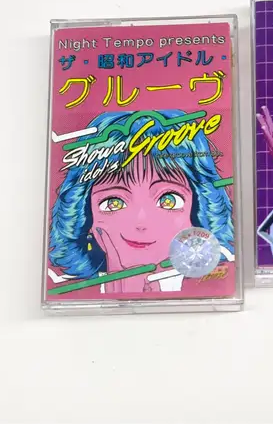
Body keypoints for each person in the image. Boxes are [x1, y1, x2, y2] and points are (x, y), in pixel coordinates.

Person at [47, 109, 235, 295]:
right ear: (85, 216)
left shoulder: (216, 289)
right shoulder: (70, 296)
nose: (141, 221)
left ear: (198, 212)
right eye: (113, 202)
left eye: (168, 200)